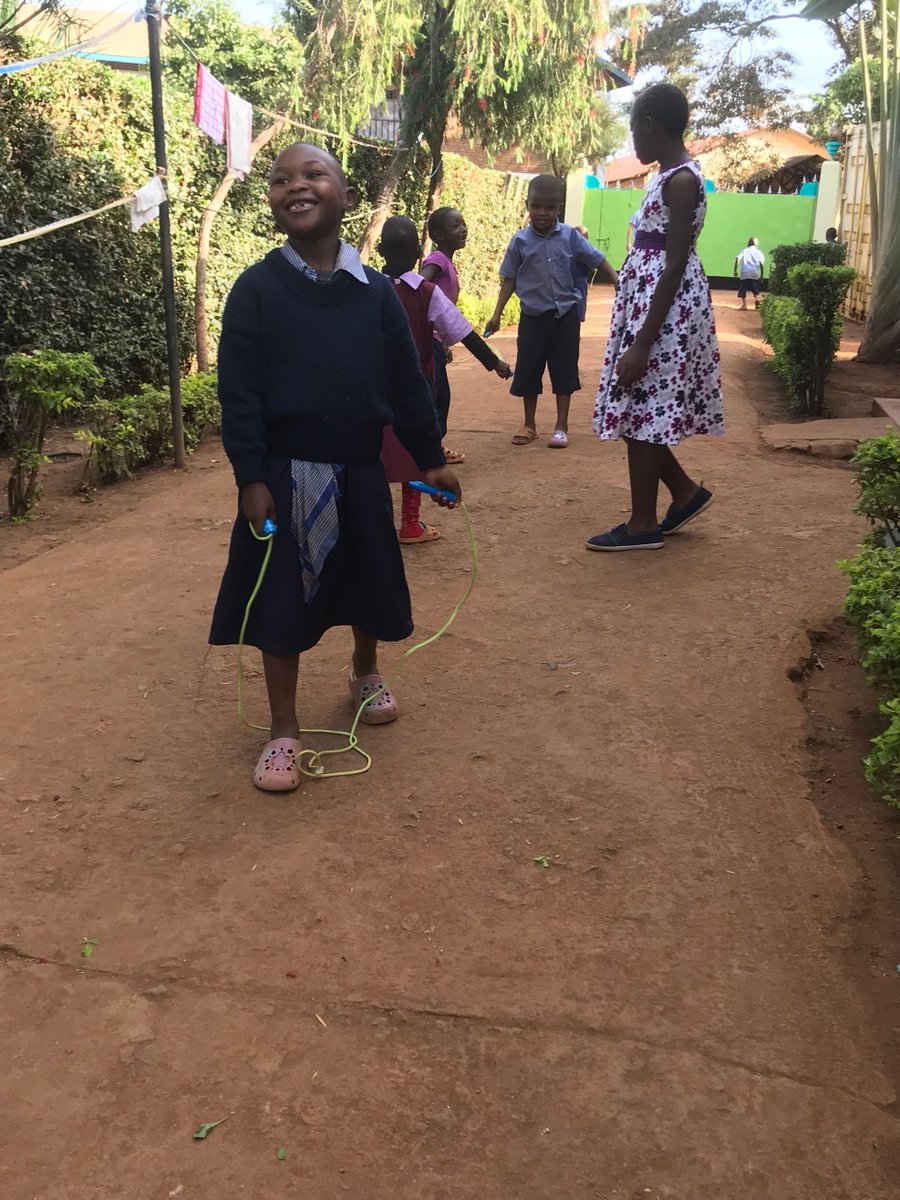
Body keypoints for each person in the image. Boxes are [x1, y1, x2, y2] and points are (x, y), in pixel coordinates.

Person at [209, 143, 460, 792]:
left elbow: (406, 385)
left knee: (369, 583)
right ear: (272, 200)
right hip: (285, 477)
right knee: (279, 604)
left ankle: (364, 669)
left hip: (360, 470)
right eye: (281, 178)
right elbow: (238, 395)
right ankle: (284, 729)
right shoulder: (257, 292)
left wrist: (430, 459)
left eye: (313, 174)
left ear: (347, 198)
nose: (296, 184)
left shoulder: (374, 295)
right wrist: (251, 478)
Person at [588, 82, 723, 552]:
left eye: (632, 130)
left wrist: (644, 342)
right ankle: (683, 493)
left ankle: (643, 525)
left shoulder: (682, 180)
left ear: (649, 125)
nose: (632, 142)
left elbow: (674, 263)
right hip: (650, 310)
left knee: (641, 410)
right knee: (638, 409)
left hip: (662, 317)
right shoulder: (667, 176)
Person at [377, 215, 511, 545]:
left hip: (371, 390)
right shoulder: (425, 292)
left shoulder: (365, 287)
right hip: (414, 386)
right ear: (418, 253)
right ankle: (410, 524)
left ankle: (374, 527)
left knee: (375, 455)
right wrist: (495, 363)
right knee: (416, 452)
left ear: (379, 250)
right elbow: (464, 332)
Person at [485, 175, 618, 449]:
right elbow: (509, 278)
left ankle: (561, 426)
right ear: (527, 205)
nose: (542, 213)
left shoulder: (569, 236)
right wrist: (497, 313)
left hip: (565, 319)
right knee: (528, 369)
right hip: (532, 318)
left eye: (549, 207)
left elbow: (597, 258)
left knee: (564, 370)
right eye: (536, 206)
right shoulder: (519, 241)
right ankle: (529, 424)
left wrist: (618, 282)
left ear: (558, 207)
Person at [421, 207, 469, 464]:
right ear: (439, 234)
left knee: (440, 395)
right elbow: (420, 285)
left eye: (463, 224)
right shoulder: (438, 259)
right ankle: (432, 449)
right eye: (455, 225)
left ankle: (434, 446)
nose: (463, 229)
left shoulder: (446, 261)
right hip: (428, 340)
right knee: (438, 396)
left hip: (436, 341)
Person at [734, 236, 765, 310]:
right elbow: (761, 263)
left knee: (743, 289)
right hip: (754, 273)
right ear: (756, 244)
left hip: (745, 272)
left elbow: (738, 259)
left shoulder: (744, 251)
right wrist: (762, 274)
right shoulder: (759, 252)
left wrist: (735, 270)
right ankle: (757, 299)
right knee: (755, 288)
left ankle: (744, 305)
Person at [572, 225, 594, 321]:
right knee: (579, 302)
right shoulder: (587, 251)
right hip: (580, 281)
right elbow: (591, 266)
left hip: (576, 281)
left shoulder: (568, 249)